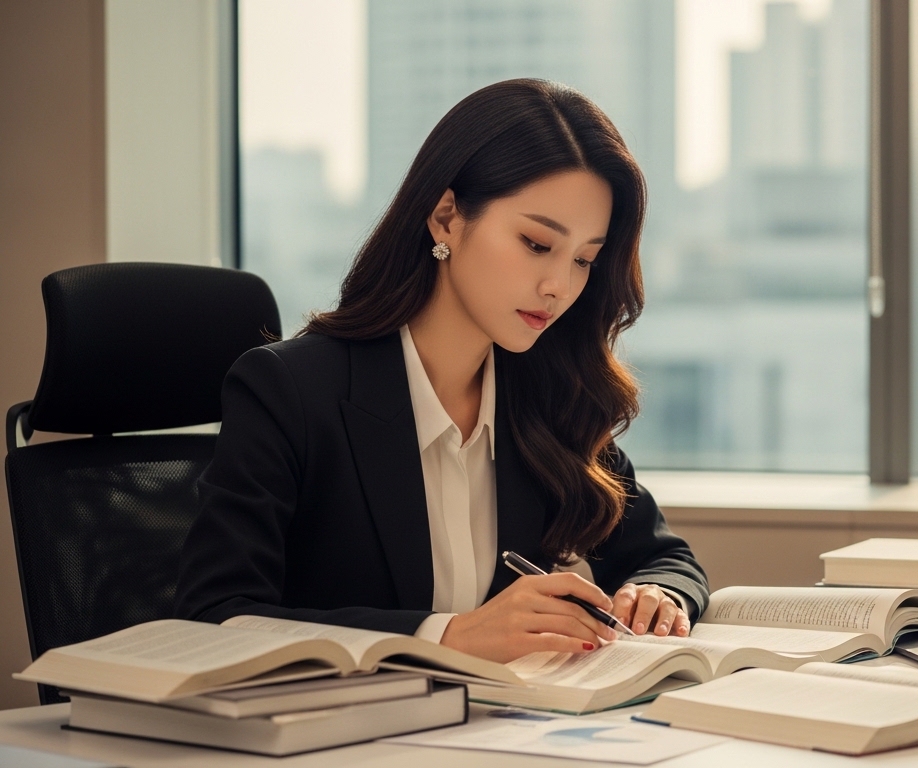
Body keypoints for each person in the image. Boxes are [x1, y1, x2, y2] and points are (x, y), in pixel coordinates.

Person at [175, 79, 709, 664]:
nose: (560, 285)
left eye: (584, 259)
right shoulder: (291, 392)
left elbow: (664, 557)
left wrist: (657, 594)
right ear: (446, 217)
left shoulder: (549, 396)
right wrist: (447, 636)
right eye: (536, 244)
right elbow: (214, 615)